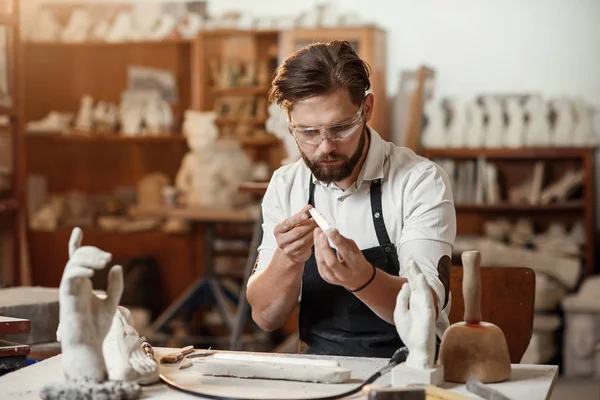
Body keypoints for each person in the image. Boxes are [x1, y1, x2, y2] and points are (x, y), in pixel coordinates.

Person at [246, 40, 456, 358]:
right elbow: (265, 317)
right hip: (319, 369)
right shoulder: (286, 184)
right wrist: (287, 260)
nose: (325, 146)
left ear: (366, 109)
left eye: (340, 127)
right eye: (307, 132)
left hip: (412, 366)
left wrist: (362, 278)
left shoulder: (420, 181)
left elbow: (424, 310)